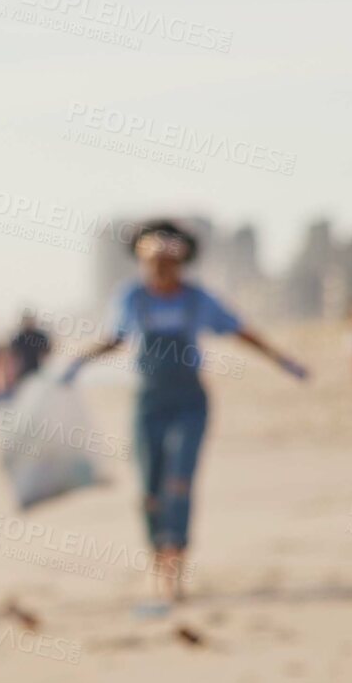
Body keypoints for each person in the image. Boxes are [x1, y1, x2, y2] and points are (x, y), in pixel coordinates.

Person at [61, 220, 307, 609]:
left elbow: (239, 330)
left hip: (190, 402)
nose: (160, 269)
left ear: (181, 262)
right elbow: (115, 338)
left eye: (167, 261)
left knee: (179, 484)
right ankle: (158, 562)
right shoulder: (132, 298)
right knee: (148, 491)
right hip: (148, 403)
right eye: (152, 261)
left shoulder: (197, 299)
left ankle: (174, 571)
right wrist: (77, 363)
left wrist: (281, 359)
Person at [8, 310, 52, 386]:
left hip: (38, 371)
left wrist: (44, 360)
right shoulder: (19, 337)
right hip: (22, 373)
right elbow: (14, 355)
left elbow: (47, 350)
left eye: (30, 320)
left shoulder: (39, 336)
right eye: (27, 320)